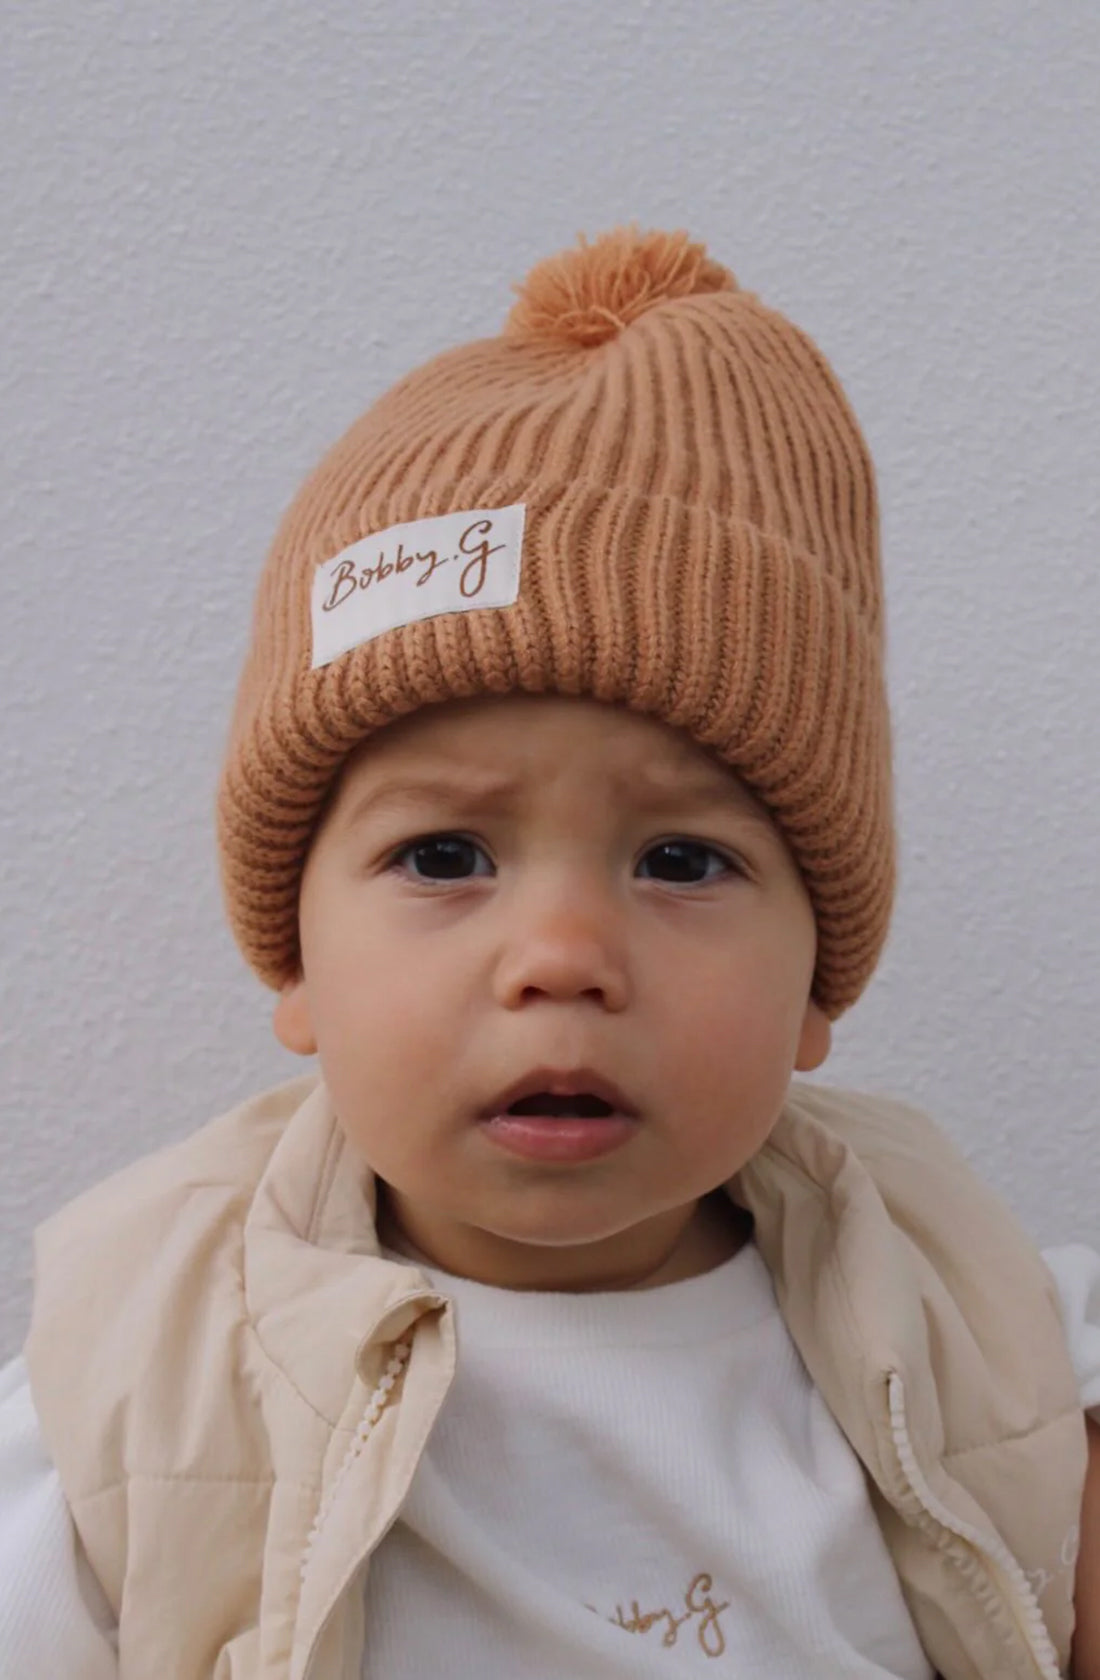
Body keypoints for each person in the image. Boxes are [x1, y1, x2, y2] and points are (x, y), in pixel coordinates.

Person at [0, 225, 1097, 1680]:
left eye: (682, 861)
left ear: (817, 985)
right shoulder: (135, 1372)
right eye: (445, 857)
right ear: (298, 969)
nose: (564, 957)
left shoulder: (978, 1318)